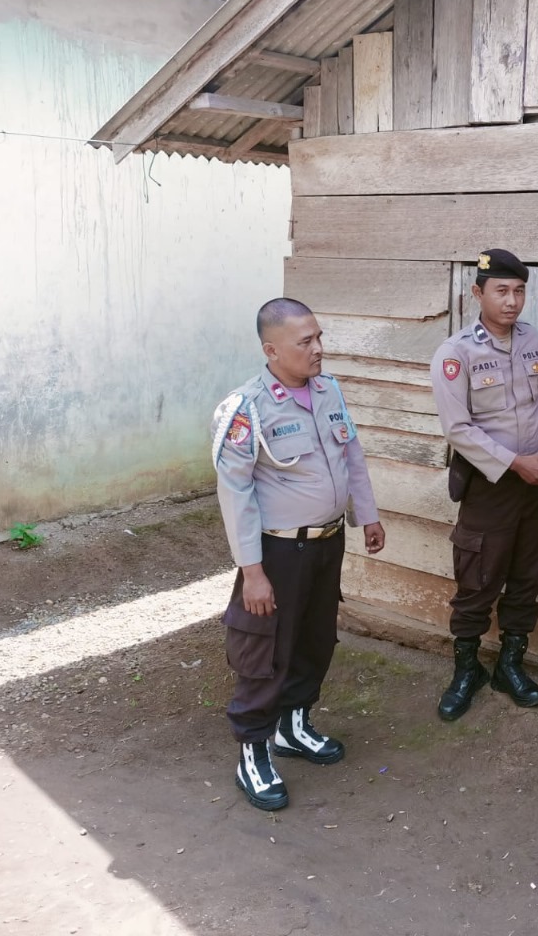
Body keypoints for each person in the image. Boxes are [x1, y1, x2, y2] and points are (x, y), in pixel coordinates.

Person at [211, 298, 386, 811]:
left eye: (319, 337)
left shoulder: (329, 391)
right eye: (304, 342)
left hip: (328, 542)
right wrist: (252, 573)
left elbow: (350, 454)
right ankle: (254, 750)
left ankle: (293, 726)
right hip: (277, 553)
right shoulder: (246, 409)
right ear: (271, 349)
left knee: (314, 639)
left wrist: (366, 515)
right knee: (265, 652)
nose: (318, 349)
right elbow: (235, 495)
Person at [429, 249, 538, 721]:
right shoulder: (456, 354)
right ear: (478, 293)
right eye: (501, 291)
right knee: (476, 579)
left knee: (526, 575)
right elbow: (458, 430)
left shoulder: (532, 339)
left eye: (519, 291)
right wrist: (514, 463)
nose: (512, 301)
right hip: (491, 485)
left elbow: (536, 399)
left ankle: (509, 666)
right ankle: (467, 668)